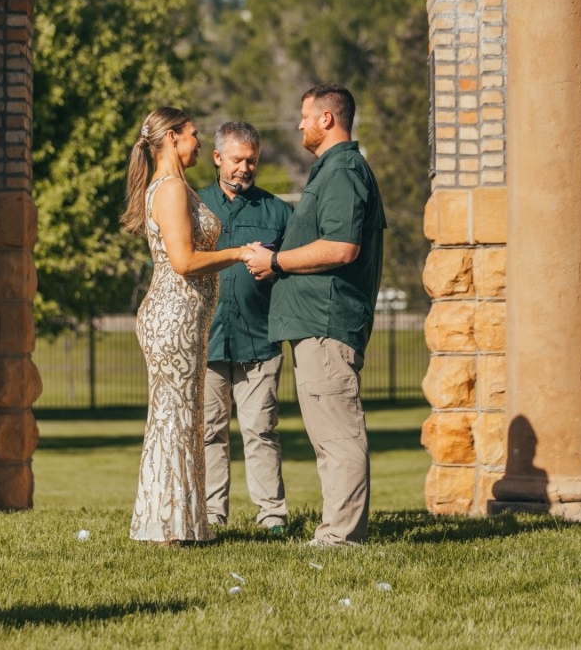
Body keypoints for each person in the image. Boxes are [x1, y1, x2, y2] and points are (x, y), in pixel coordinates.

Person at [247, 83, 387, 546]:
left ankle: (342, 536)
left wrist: (278, 262)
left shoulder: (344, 171)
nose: (300, 124)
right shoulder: (331, 171)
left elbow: (342, 247)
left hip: (327, 324)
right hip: (314, 325)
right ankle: (335, 530)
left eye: (305, 115)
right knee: (327, 437)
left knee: (338, 435)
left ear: (327, 118)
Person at [121, 107, 252, 545]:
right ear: (173, 137)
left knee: (182, 418)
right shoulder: (172, 189)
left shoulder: (175, 187)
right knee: (175, 419)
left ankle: (182, 522)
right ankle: (167, 527)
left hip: (185, 318)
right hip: (173, 317)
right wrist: (239, 253)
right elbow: (184, 262)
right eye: (194, 135)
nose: (198, 142)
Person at [197, 121, 292, 536]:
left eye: (251, 160)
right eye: (237, 159)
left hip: (260, 339)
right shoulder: (194, 206)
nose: (245, 167)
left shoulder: (279, 212)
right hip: (207, 339)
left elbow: (292, 273)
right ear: (218, 158)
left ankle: (272, 515)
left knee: (261, 430)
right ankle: (212, 514)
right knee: (208, 433)